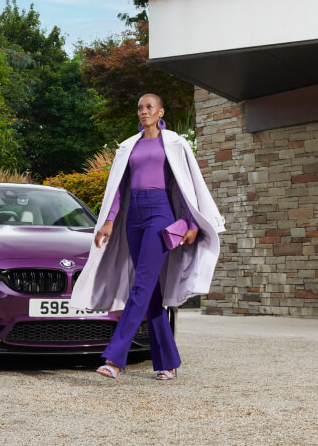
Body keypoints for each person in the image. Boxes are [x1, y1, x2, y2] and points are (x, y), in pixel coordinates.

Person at [70, 94, 225, 381]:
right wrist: (109, 221)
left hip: (159, 214)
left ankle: (114, 358)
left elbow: (185, 185)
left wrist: (191, 222)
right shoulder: (129, 146)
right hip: (134, 218)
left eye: (149, 107)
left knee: (140, 286)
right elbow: (118, 187)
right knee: (150, 294)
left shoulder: (175, 143)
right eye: (139, 107)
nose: (143, 112)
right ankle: (168, 361)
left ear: (160, 111)